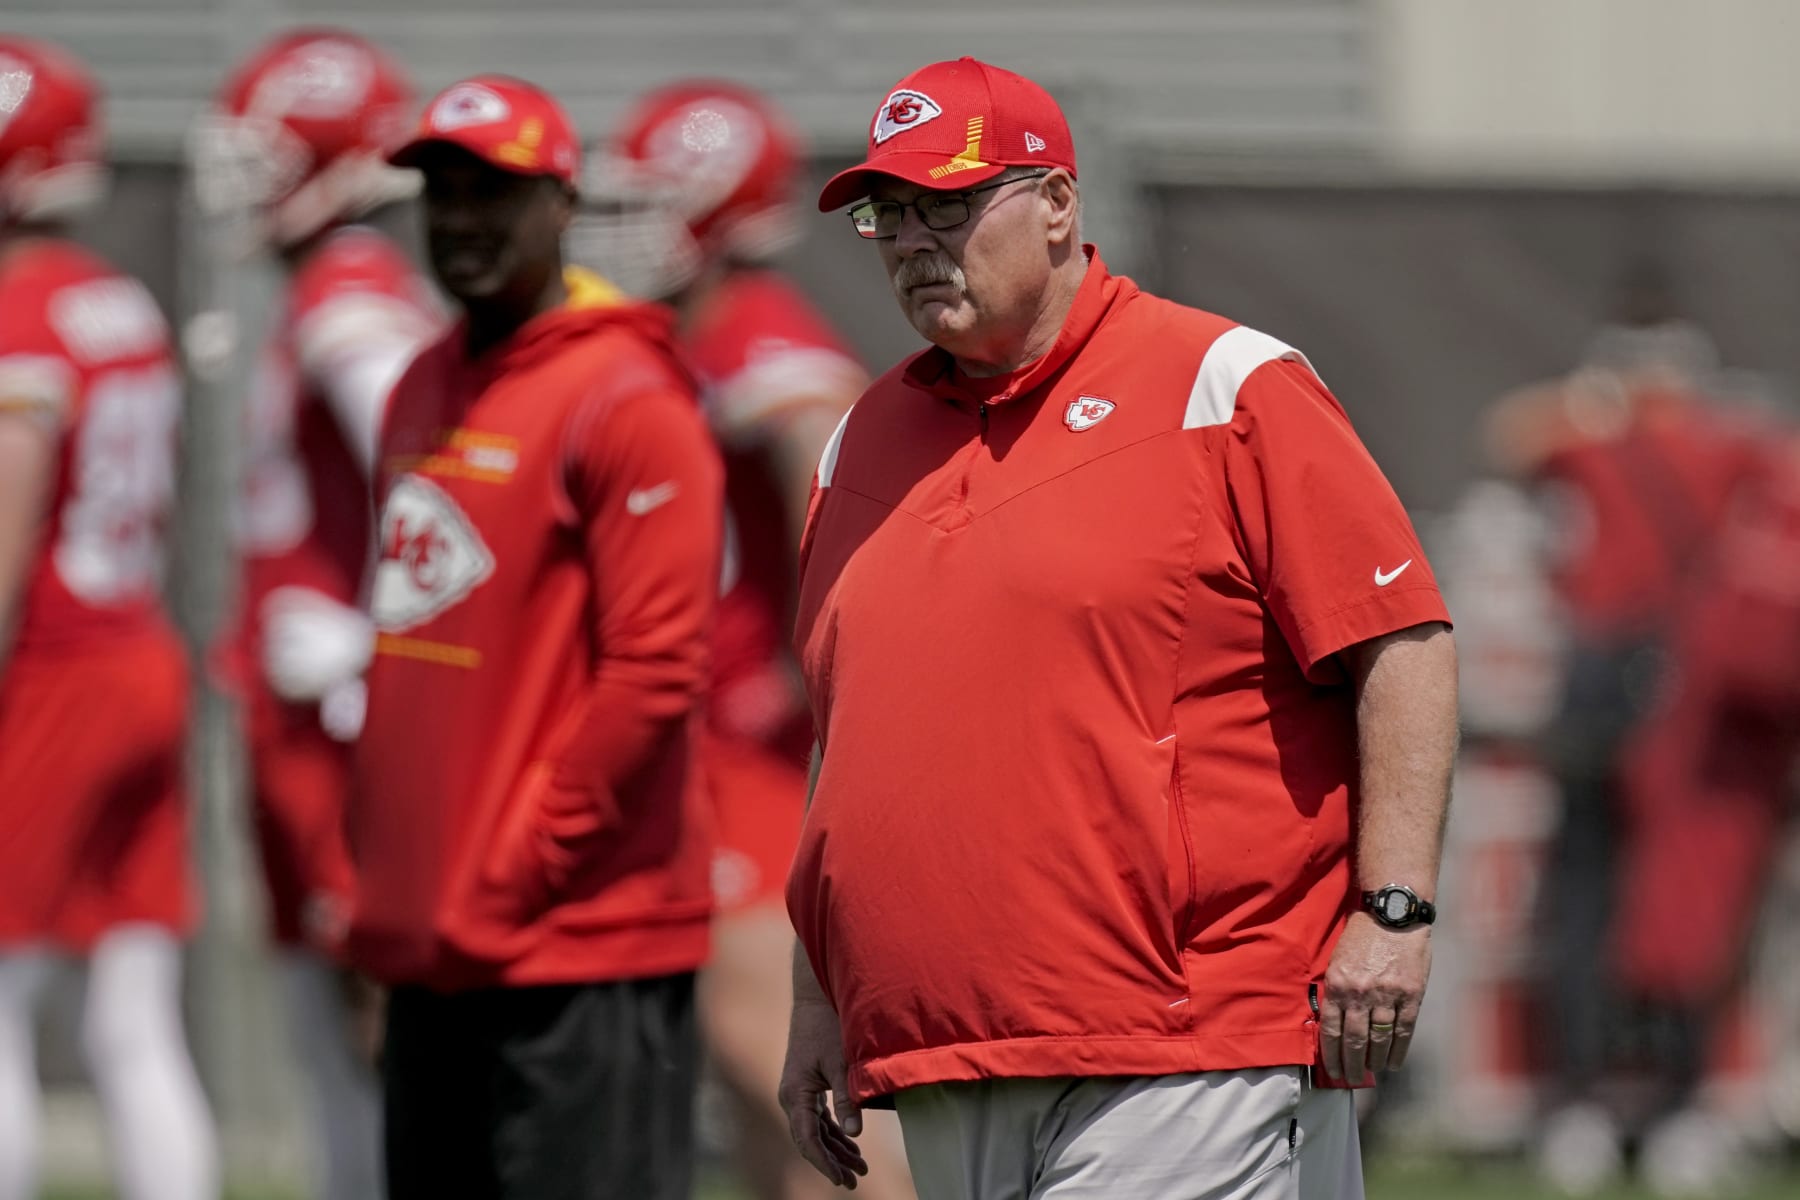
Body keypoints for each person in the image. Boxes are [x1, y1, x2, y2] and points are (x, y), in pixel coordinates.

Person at [777, 58, 1459, 1200]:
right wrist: (815, 996)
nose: (910, 240)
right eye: (885, 213)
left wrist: (1392, 912)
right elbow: (845, 746)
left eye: (947, 202)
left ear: (1056, 205)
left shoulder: (1224, 382)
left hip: (1190, 1043)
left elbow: (1402, 643)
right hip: (948, 1047)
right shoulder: (862, 440)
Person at [346, 74, 724, 1200]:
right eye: (442, 193)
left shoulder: (627, 395)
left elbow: (654, 678)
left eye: (493, 194)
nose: (460, 221)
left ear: (561, 203)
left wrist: (519, 867)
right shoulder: (421, 379)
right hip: (436, 945)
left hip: (580, 946)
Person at [580, 81, 913, 1200]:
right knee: (750, 1088)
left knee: (773, 1052)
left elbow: (837, 456)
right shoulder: (688, 336)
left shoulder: (762, 343)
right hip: (707, 740)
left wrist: (817, 666)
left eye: (650, 204)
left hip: (758, 748)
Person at [191, 28, 441, 1200]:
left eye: (269, 148)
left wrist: (380, 639)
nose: (244, 175)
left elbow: (447, 475)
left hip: (347, 720)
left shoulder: (351, 289)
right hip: (308, 712)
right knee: (327, 1031)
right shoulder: (324, 287)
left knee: (379, 1028)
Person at [0, 36, 218, 1200]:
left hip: (48, 669)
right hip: (137, 648)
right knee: (134, 1010)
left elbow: (10, 505)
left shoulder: (19, 312)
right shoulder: (113, 297)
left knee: (4, 997)